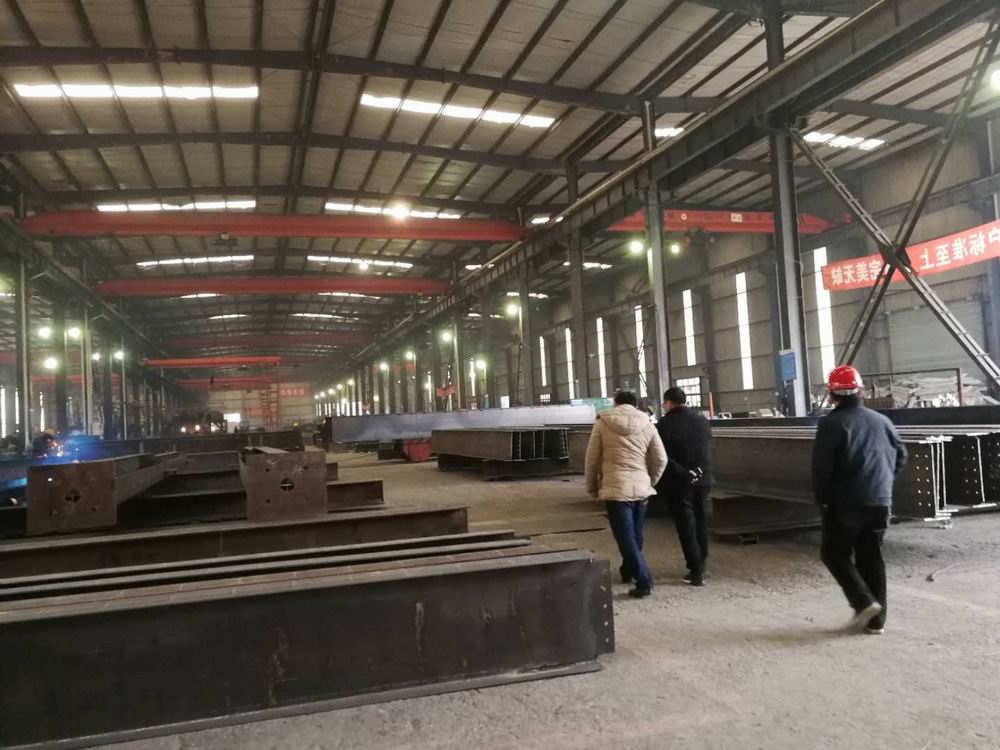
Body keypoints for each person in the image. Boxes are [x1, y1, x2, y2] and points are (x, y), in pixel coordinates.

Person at [812, 365, 907, 634]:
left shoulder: (831, 424)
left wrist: (822, 499)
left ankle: (863, 602)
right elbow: (901, 455)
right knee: (871, 556)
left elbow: (822, 468)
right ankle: (876, 622)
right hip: (880, 500)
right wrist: (881, 484)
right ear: (861, 391)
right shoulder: (882, 421)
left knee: (833, 554)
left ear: (832, 394)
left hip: (845, 503)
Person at [585, 390, 667, 598]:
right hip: (641, 489)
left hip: (616, 489)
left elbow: (592, 459)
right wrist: (650, 480)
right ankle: (628, 571)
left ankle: (644, 581)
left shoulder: (602, 423)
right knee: (635, 535)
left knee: (625, 537)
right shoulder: (648, 424)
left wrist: (592, 486)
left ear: (615, 403)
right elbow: (661, 459)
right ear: (635, 405)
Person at [656, 387, 713, 586]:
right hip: (703, 480)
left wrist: (684, 473)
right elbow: (706, 450)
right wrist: (698, 471)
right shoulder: (702, 421)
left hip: (678, 482)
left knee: (686, 526)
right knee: (700, 521)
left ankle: (696, 571)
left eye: (664, 403)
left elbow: (662, 456)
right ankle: (702, 564)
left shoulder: (664, 425)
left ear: (669, 403)